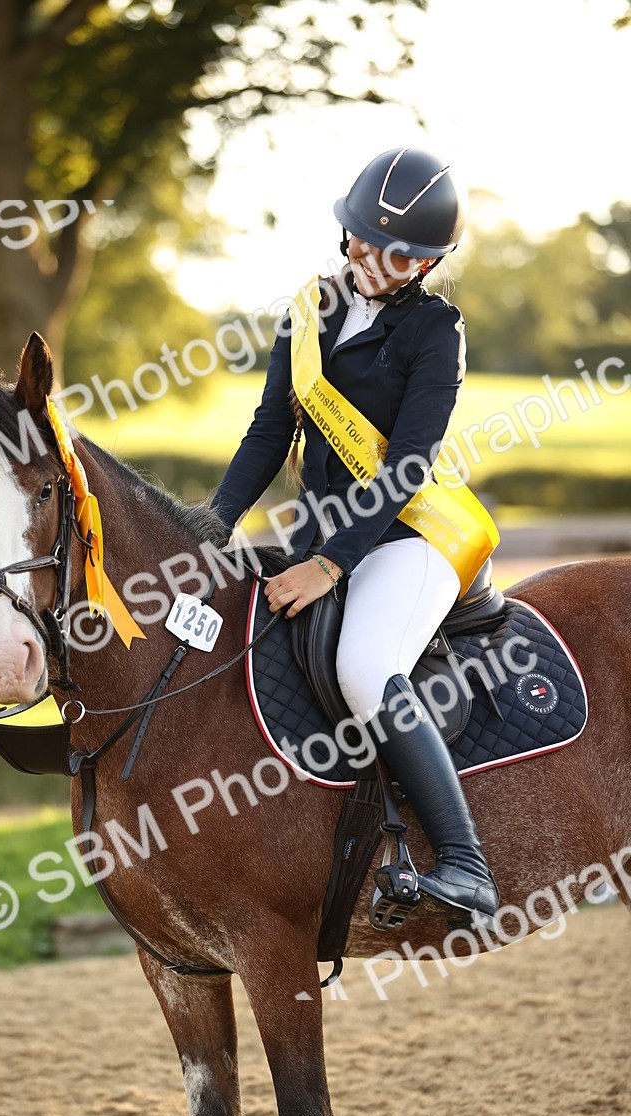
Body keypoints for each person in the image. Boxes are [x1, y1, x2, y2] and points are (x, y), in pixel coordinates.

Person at [211, 146, 499, 924]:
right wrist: (211, 525)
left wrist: (331, 566)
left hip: (411, 535)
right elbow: (269, 432)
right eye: (368, 240)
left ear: (429, 262)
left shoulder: (436, 331)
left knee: (365, 666)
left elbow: (407, 467)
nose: (377, 261)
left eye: (402, 254)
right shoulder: (310, 310)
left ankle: (466, 864)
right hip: (324, 532)